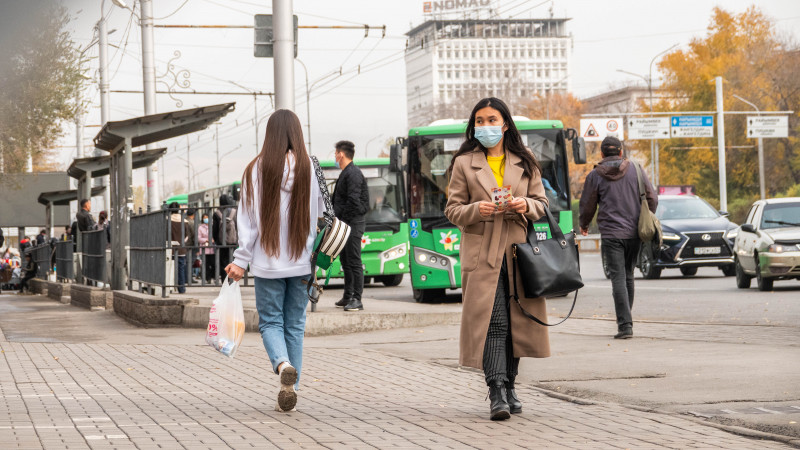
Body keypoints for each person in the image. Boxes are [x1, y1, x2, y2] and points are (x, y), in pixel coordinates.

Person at [444, 97, 551, 421]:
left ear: (505, 124)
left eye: (492, 120)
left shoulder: (525, 158)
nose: (485, 126)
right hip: (483, 251)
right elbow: (452, 210)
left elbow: (542, 203)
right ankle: (497, 390)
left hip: (519, 251)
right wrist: (478, 210)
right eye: (479, 121)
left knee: (518, 323)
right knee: (494, 322)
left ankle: (512, 386)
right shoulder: (464, 163)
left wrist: (524, 205)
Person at [224, 109, 324, 413]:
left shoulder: (255, 169)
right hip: (303, 261)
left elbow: (248, 222)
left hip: (267, 263)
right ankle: (291, 384)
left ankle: (282, 367)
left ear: (270, 134)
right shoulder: (311, 167)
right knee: (295, 324)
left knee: (270, 322)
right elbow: (321, 215)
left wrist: (241, 260)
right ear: (297, 132)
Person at [579, 135, 657, 340]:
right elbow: (652, 198)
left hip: (612, 234)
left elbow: (588, 204)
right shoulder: (637, 170)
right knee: (629, 274)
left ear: (602, 154)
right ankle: (626, 321)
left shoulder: (595, 175)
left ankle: (625, 325)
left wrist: (584, 224)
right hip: (634, 233)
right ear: (621, 152)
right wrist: (646, 218)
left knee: (618, 278)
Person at [331, 140, 370, 312]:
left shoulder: (353, 173)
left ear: (341, 154)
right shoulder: (346, 172)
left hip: (352, 222)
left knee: (354, 260)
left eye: (335, 153)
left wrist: (342, 221)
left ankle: (357, 299)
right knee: (345, 260)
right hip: (346, 222)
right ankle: (348, 296)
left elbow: (354, 201)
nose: (334, 156)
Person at [169, 202, 194, 294]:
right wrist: (182, 243)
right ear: (179, 209)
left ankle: (169, 287)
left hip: (169, 249)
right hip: (181, 249)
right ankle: (181, 288)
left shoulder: (167, 220)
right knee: (181, 269)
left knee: (169, 268)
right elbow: (187, 236)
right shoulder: (184, 221)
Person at [213, 194, 237, 274]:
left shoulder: (217, 213)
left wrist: (216, 240)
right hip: (233, 241)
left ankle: (225, 279)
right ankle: (232, 280)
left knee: (223, 261)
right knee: (232, 260)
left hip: (221, 242)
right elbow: (237, 226)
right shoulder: (234, 211)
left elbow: (215, 229)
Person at [197, 213, 215, 282]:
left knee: (214, 264)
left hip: (212, 248)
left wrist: (213, 240)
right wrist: (206, 240)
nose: (206, 219)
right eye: (204, 218)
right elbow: (199, 238)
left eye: (207, 217)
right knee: (206, 265)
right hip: (204, 248)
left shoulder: (213, 226)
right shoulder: (200, 227)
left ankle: (213, 276)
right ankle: (208, 278)